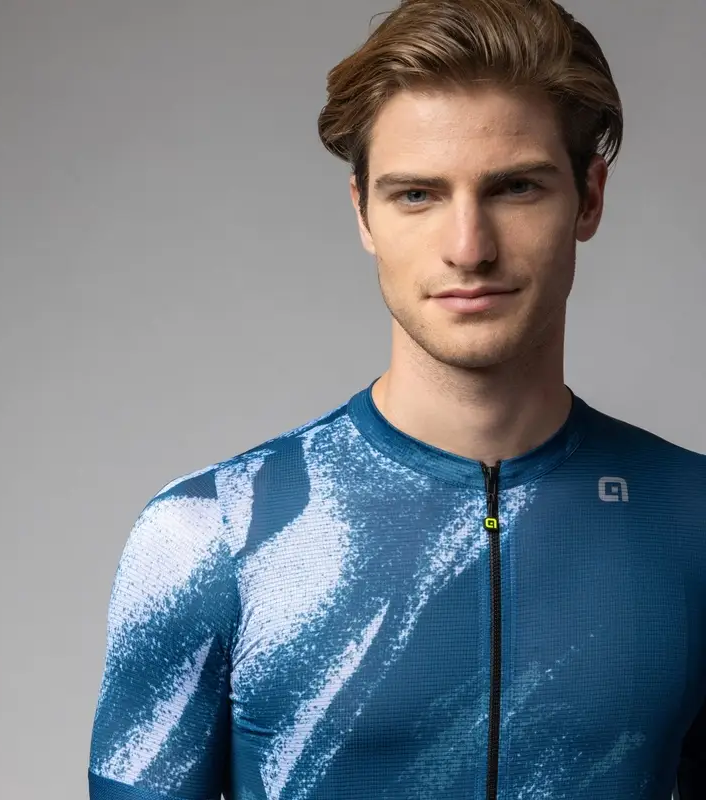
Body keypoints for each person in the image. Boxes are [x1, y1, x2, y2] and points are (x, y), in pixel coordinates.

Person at [87, 1, 706, 798]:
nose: (468, 248)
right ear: (363, 214)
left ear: (589, 197)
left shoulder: (692, 522)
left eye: (516, 187)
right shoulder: (213, 536)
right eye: (417, 195)